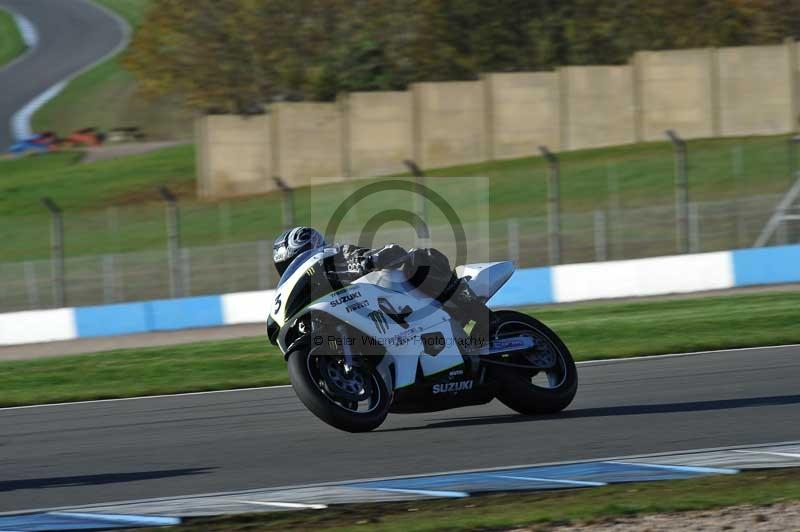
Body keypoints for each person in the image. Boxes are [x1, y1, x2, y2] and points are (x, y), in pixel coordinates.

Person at [272, 226, 491, 334]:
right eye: (287, 266)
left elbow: (356, 255)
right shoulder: (306, 296)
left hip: (393, 301)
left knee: (418, 259)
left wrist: (368, 260)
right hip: (375, 323)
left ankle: (464, 299)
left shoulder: (333, 256)